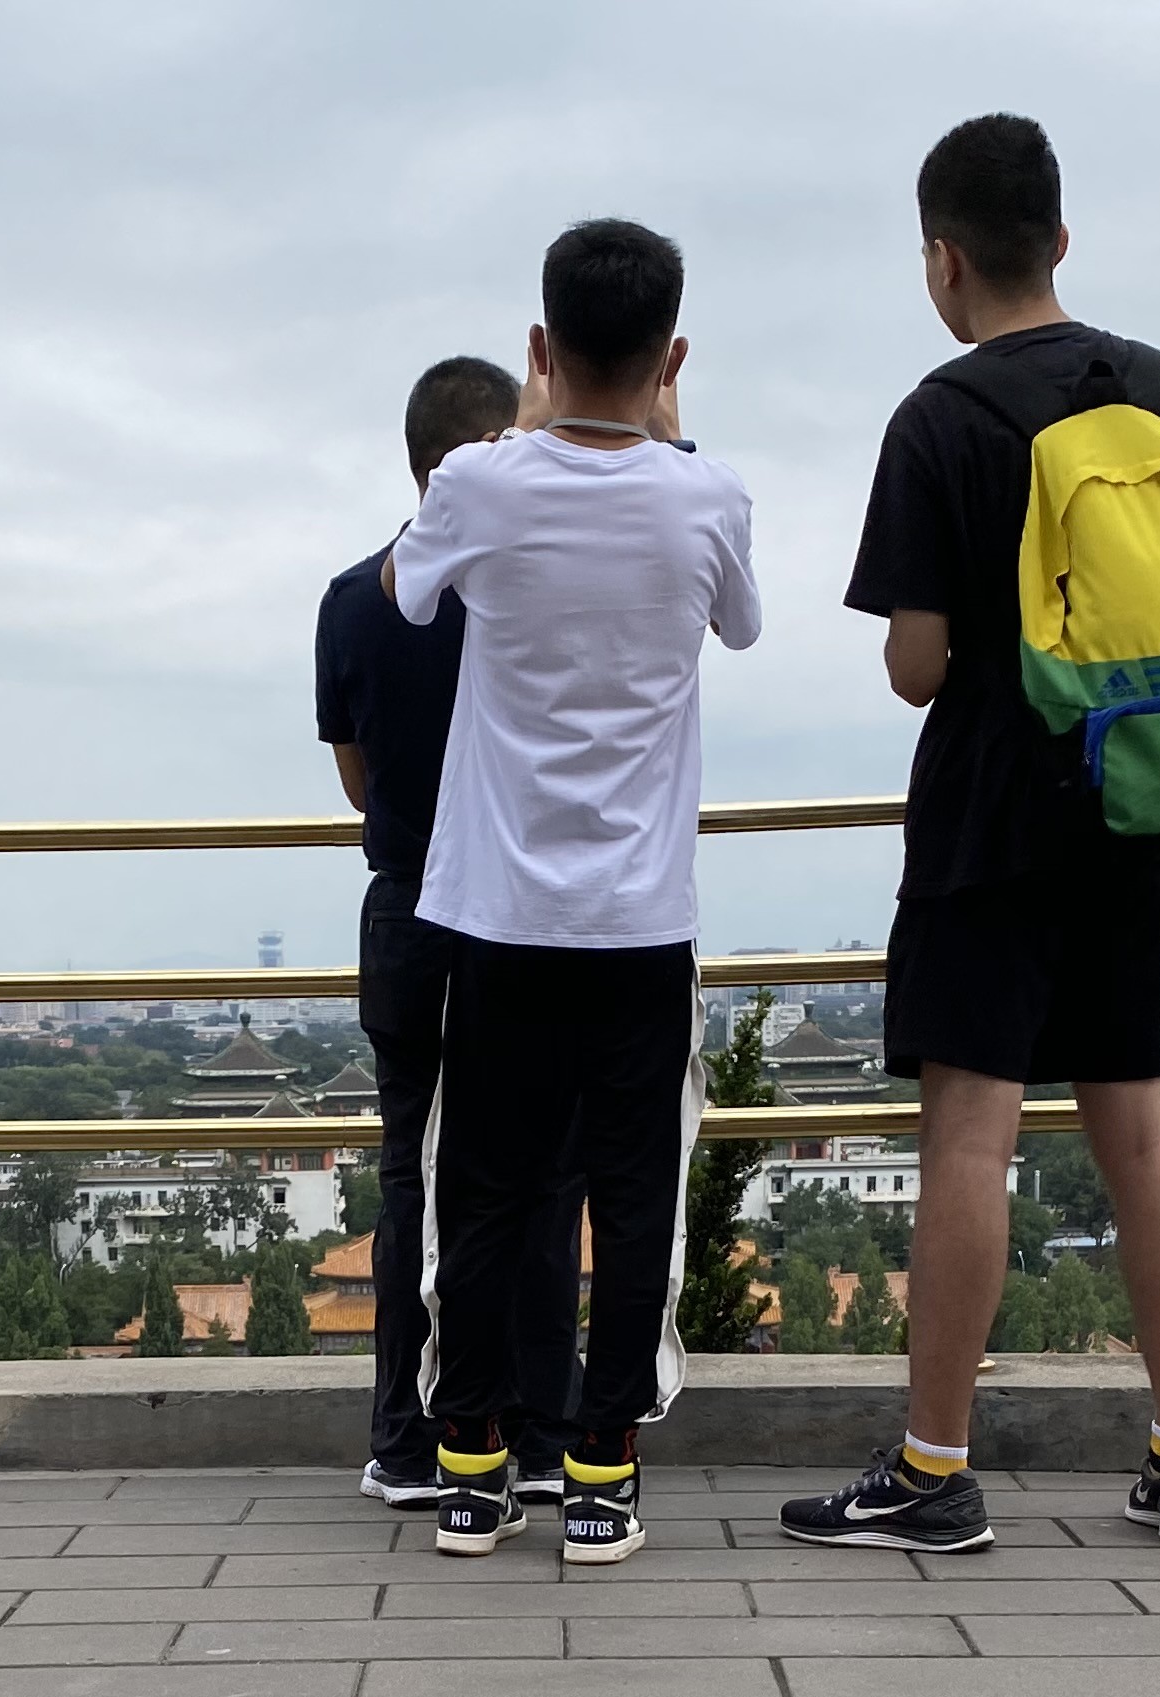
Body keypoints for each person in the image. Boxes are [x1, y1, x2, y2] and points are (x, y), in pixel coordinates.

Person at [781, 113, 1160, 1555]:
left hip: (992, 813)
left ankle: (934, 1471)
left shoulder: (941, 416)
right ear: (1061, 240)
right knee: (1141, 1136)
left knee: (970, 1141)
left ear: (942, 260)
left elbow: (917, 665)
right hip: (1136, 793)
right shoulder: (1159, 389)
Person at [392, 219, 761, 1567]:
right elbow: (741, 623)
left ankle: (475, 1467)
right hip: (641, 920)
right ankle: (602, 1469)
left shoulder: (482, 487)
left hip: (498, 915)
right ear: (670, 357)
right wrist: (661, 439)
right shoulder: (707, 492)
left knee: (484, 1197)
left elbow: (408, 591)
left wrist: (522, 433)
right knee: (632, 1192)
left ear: (537, 349)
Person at [316, 357, 585, 1510]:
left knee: (409, 1183)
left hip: (407, 917)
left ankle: (405, 1439)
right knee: (537, 1185)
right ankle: (532, 1429)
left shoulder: (352, 596)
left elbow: (358, 786)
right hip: (525, 920)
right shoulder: (530, 596)